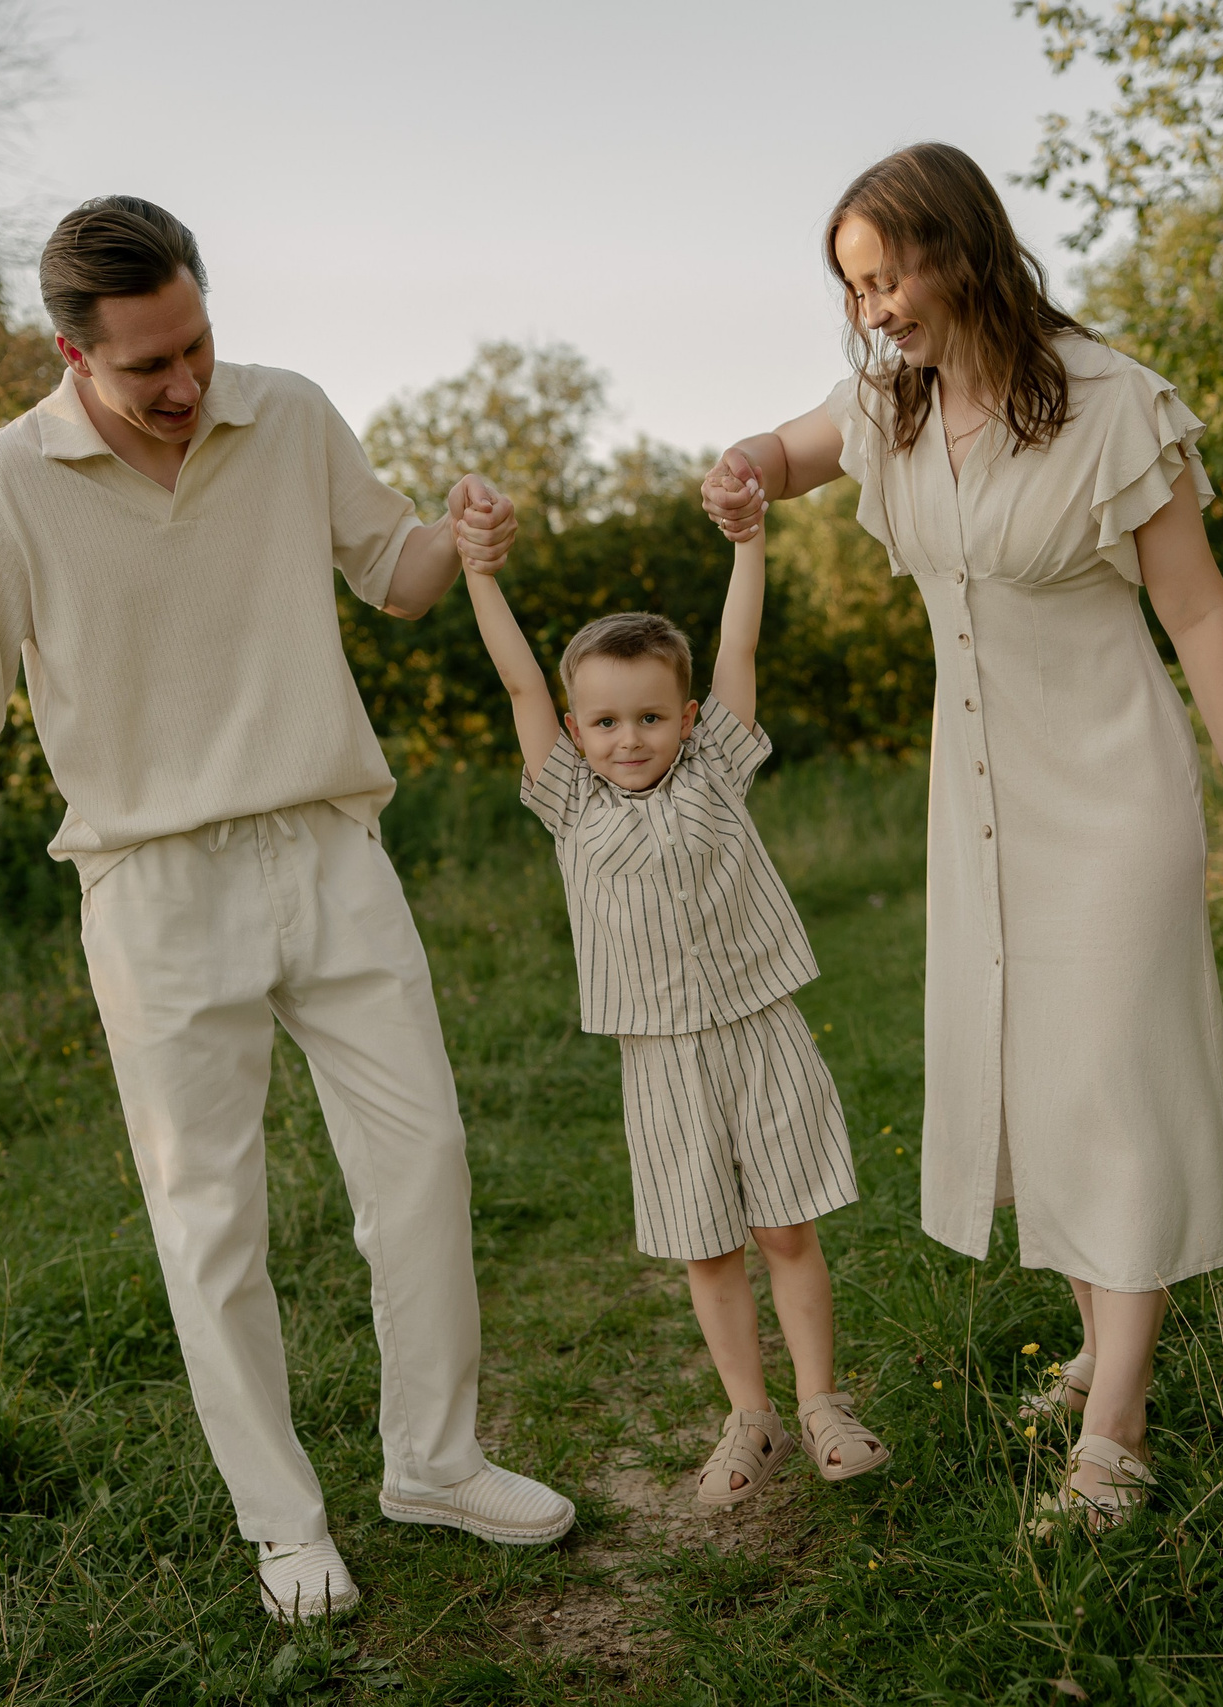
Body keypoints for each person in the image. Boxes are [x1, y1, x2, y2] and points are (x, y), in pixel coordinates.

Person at [0, 195, 573, 1622]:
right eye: (148, 365)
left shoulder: (292, 414)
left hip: (328, 843)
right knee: (211, 1219)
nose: (186, 381)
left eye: (195, 341)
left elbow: (394, 577)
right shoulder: (6, 480)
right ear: (72, 352)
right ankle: (285, 1523)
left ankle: (436, 1460)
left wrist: (461, 531)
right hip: (152, 888)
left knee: (426, 1157)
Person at [700, 144, 1223, 1531]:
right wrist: (739, 469)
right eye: (856, 287)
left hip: (1113, 788)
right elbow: (789, 452)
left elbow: (1198, 611)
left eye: (892, 273)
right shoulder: (889, 405)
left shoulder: (1109, 401)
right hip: (978, 802)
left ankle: (1115, 1430)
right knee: (1043, 1078)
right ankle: (1100, 1343)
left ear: (964, 248)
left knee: (1116, 1078)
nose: (878, 307)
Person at [461, 490, 891, 1508]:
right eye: (604, 721)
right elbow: (519, 680)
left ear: (687, 717)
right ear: (576, 728)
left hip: (760, 1025)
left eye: (650, 716)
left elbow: (739, 647)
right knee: (706, 1244)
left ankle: (824, 1403)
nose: (628, 739)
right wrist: (478, 571)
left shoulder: (713, 771)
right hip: (655, 1052)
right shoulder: (567, 799)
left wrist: (748, 544)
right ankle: (751, 1418)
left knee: (786, 1227)